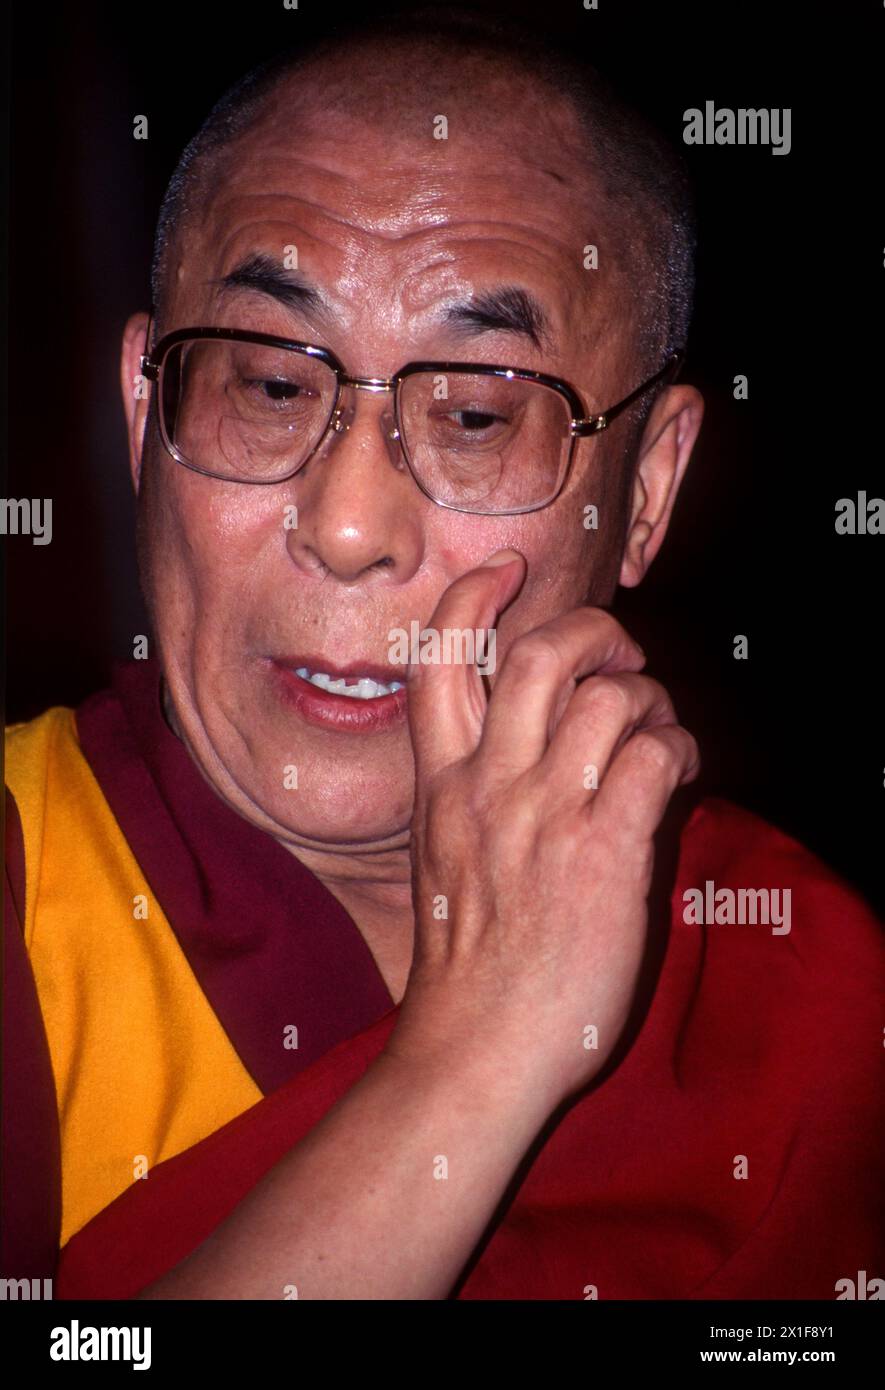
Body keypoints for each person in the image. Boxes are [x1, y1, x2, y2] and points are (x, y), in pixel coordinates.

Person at [4, 8, 881, 1300]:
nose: (349, 526)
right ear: (144, 412)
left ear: (645, 487)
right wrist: (479, 1054)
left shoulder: (783, 979)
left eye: (474, 414)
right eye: (266, 385)